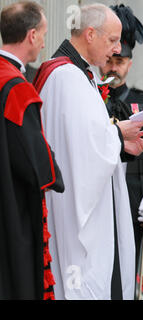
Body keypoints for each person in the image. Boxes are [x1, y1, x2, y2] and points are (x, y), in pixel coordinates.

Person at [33, 3, 143, 300]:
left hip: (78, 197)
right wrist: (116, 133)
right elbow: (80, 147)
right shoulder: (67, 77)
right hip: (74, 206)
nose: (116, 49)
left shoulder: (75, 74)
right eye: (112, 40)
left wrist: (120, 145)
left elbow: (82, 140)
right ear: (90, 34)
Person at [0, 1, 64, 300]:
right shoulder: (17, 88)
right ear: (30, 35)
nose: (42, 41)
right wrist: (56, 173)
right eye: (43, 34)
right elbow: (34, 162)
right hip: (11, 205)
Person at [98, 4, 143, 274]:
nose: (114, 68)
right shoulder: (90, 95)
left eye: (121, 62)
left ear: (130, 63)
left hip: (133, 194)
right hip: (98, 192)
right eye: (110, 61)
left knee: (127, 269)